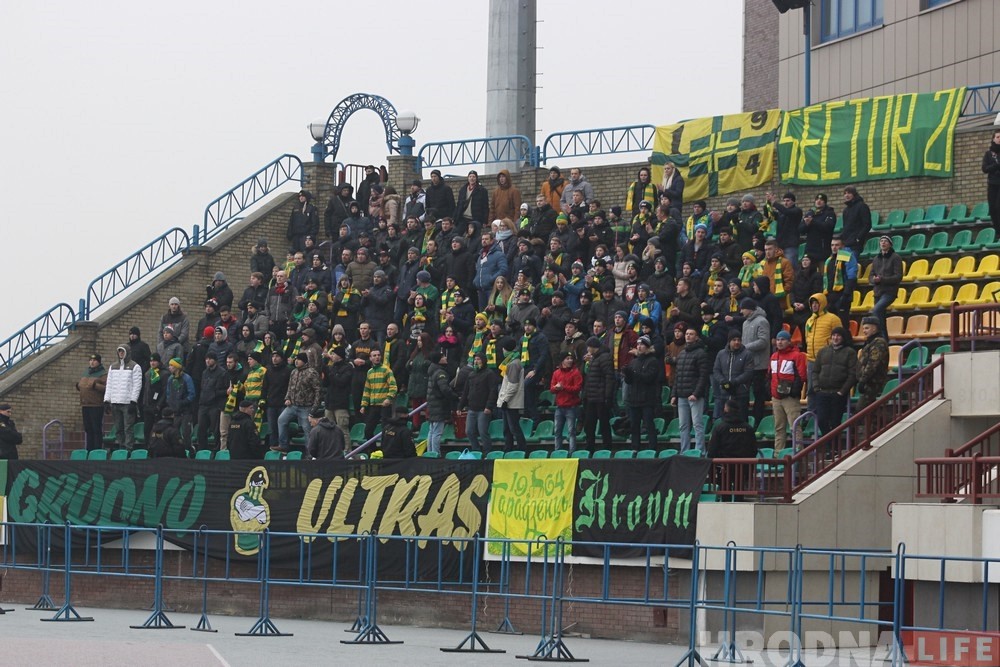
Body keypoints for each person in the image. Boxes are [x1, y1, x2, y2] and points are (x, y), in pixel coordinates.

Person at [811, 327, 857, 436]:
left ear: (843, 337)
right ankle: (830, 444)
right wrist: (816, 388)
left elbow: (853, 374)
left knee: (835, 422)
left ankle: (834, 448)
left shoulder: (849, 352)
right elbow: (815, 371)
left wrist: (842, 391)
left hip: (838, 393)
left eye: (838, 336)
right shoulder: (823, 351)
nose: (835, 338)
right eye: (834, 335)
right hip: (822, 393)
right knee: (821, 420)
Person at [671, 329, 709, 453]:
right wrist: (674, 394)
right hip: (682, 395)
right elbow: (678, 376)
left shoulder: (701, 353)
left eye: (691, 334)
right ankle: (685, 450)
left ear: (696, 337)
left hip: (694, 396)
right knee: (683, 426)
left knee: (697, 424)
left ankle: (700, 451)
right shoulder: (682, 354)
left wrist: (696, 393)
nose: (688, 336)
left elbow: (703, 376)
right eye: (687, 334)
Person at [769, 330, 807, 452]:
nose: (780, 342)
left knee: (794, 426)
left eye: (783, 339)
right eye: (778, 339)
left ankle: (798, 452)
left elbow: (802, 376)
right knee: (779, 428)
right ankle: (777, 453)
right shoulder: (774, 356)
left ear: (789, 341)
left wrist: (793, 391)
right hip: (776, 397)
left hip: (790, 398)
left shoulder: (797, 356)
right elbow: (769, 375)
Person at [276, 353, 321, 452]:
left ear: (304, 361)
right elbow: (290, 387)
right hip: (292, 405)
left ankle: (310, 452)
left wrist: (314, 408)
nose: (296, 361)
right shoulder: (293, 372)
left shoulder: (311, 372)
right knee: (281, 420)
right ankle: (283, 445)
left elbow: (318, 390)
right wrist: (287, 398)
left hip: (306, 407)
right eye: (295, 359)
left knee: (307, 430)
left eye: (299, 359)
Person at [104, 345, 143, 450]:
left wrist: (133, 401)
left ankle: (129, 449)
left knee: (128, 428)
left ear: (127, 352)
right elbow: (109, 384)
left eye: (123, 351)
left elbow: (137, 385)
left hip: (127, 403)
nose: (121, 353)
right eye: (119, 351)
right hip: (115, 402)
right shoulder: (113, 367)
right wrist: (107, 400)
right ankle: (121, 449)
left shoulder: (135, 367)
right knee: (118, 429)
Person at [459, 353, 500, 454]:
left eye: (478, 359)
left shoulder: (489, 374)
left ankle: (487, 452)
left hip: (483, 409)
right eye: (475, 360)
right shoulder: (471, 375)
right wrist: (460, 406)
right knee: (469, 431)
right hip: (472, 408)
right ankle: (476, 450)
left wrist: (489, 406)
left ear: (483, 361)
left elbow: (493, 391)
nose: (476, 361)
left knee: (483, 432)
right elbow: (465, 392)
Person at [740, 298, 771, 425]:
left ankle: (758, 421)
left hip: (759, 365)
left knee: (759, 394)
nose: (741, 311)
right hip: (747, 365)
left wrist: (745, 347)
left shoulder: (762, 321)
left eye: (742, 308)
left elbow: (763, 341)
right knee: (744, 393)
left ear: (749, 309)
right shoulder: (745, 323)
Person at [581, 336, 615, 451]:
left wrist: (608, 396)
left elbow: (609, 377)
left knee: (604, 424)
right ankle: (590, 448)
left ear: (593, 347)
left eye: (588, 347)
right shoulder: (594, 359)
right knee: (589, 425)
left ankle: (607, 448)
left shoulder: (604, 357)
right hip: (591, 397)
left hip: (601, 398)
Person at [712, 331, 754, 420]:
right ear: (729, 341)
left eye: (739, 340)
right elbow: (716, 370)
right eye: (734, 340)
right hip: (724, 393)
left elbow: (748, 372)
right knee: (725, 420)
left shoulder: (747, 354)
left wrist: (734, 382)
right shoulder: (721, 354)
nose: (737, 342)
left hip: (741, 393)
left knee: (741, 419)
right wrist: (723, 381)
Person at [497, 338, 527, 453]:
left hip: (511, 403)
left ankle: (522, 449)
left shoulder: (514, 364)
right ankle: (508, 449)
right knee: (507, 429)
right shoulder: (512, 362)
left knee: (514, 428)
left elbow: (512, 385)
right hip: (509, 402)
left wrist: (505, 400)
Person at [359, 347, 397, 441]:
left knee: (386, 431)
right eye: (374, 355)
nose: (377, 357)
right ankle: (373, 450)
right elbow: (367, 390)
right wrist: (363, 405)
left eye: (379, 355)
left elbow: (393, 386)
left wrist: (389, 398)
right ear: (370, 358)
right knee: (368, 430)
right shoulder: (369, 372)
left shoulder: (386, 370)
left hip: (384, 405)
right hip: (373, 405)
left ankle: (386, 451)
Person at [823, 236, 859, 330]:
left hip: (842, 296)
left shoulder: (848, 257)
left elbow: (851, 276)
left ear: (842, 246)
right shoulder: (829, 260)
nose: (834, 247)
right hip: (831, 297)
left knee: (843, 325)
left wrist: (845, 295)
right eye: (832, 245)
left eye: (837, 245)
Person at [855, 316, 890, 412]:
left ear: (874, 328)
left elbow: (872, 363)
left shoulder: (878, 343)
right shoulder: (870, 342)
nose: (864, 331)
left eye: (867, 328)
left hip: (873, 382)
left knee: (861, 410)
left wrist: (863, 379)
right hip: (868, 382)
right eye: (863, 328)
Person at [550, 353, 583, 452]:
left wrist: (564, 387)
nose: (570, 360)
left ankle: (572, 452)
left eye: (571, 358)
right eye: (567, 358)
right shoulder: (556, 373)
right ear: (562, 361)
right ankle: (557, 451)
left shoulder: (576, 372)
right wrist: (556, 388)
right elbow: (551, 389)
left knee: (571, 431)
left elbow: (577, 388)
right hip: (560, 406)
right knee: (557, 431)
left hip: (571, 406)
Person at [425, 352, 456, 455]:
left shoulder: (432, 371)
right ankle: (436, 453)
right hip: (439, 405)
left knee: (431, 431)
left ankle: (430, 453)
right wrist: (454, 396)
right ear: (439, 360)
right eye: (443, 356)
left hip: (432, 405)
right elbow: (445, 389)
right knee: (437, 432)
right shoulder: (440, 373)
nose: (445, 358)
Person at [869, 235, 902, 330]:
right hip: (877, 292)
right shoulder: (876, 259)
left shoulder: (896, 257)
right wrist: (873, 280)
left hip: (889, 292)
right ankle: (884, 339)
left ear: (890, 244)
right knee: (880, 317)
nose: (883, 243)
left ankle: (881, 337)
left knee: (876, 310)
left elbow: (898, 276)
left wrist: (882, 279)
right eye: (881, 241)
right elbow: (871, 275)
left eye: (885, 241)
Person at [196, 351, 228, 451]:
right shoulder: (204, 372)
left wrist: (215, 395)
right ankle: (202, 451)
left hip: (214, 405)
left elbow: (224, 390)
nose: (207, 361)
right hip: (203, 405)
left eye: (210, 359)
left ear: (215, 360)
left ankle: (216, 450)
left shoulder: (222, 372)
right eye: (206, 359)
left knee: (216, 430)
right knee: (201, 430)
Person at [76, 353, 107, 451]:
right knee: (88, 429)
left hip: (96, 405)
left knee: (96, 429)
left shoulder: (103, 374)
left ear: (99, 362)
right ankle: (89, 449)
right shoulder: (86, 372)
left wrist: (95, 385)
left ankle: (97, 449)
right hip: (85, 404)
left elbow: (106, 388)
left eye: (94, 360)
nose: (92, 362)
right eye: (90, 360)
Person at [164, 357, 196, 451]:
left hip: (186, 412)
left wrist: (183, 402)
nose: (169, 367)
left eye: (171, 365)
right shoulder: (170, 379)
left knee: (186, 433)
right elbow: (168, 393)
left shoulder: (186, 378)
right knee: (175, 433)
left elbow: (192, 394)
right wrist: (171, 404)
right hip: (175, 412)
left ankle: (189, 450)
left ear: (177, 367)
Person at [839, 186, 872, 257]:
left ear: (854, 194)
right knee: (844, 266)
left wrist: (858, 238)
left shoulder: (862, 206)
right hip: (845, 244)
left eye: (849, 193)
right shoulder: (846, 210)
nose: (846, 195)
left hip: (855, 245)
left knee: (852, 266)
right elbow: (845, 227)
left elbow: (867, 225)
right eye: (845, 193)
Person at [983, 129, 1000, 233]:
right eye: (998, 137)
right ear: (993, 139)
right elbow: (985, 168)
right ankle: (998, 231)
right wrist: (996, 166)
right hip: (993, 184)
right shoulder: (989, 154)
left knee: (999, 207)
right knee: (993, 208)